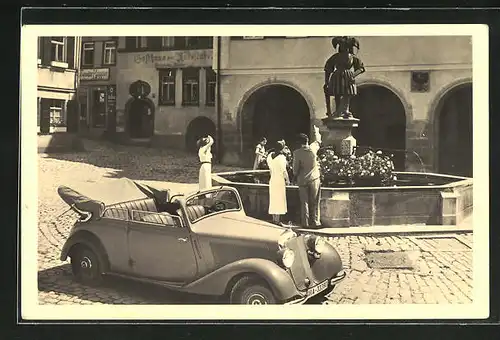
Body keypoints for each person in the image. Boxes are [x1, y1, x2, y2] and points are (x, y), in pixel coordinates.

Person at [292, 133, 322, 228]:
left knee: (304, 202)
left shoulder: (297, 153)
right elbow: (318, 141)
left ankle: (305, 223)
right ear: (307, 141)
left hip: (303, 180)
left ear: (299, 143)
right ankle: (315, 222)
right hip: (314, 178)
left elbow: (295, 170)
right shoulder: (313, 149)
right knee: (315, 202)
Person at [267, 141, 290, 225]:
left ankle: (274, 219)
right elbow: (284, 171)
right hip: (279, 180)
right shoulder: (281, 158)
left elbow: (270, 169)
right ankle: (277, 220)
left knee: (273, 199)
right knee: (279, 199)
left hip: (272, 179)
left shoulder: (269, 156)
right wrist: (287, 180)